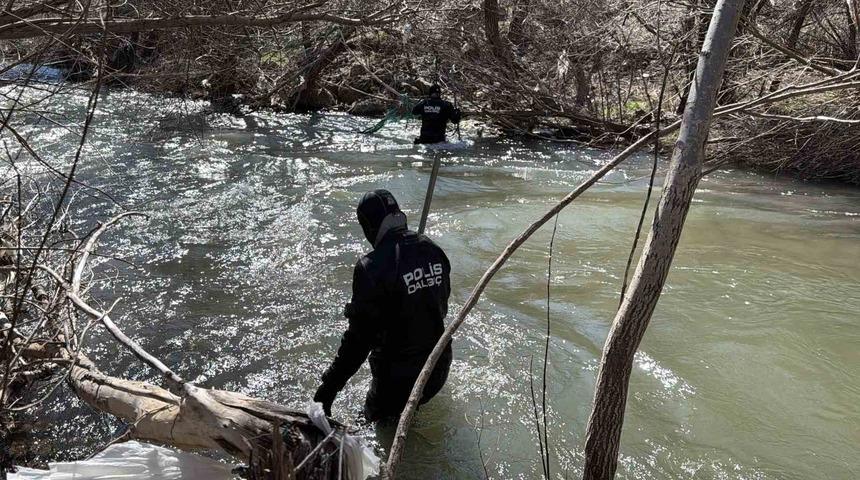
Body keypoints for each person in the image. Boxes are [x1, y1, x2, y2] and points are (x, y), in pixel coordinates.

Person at [314, 189, 453, 421]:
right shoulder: (432, 249)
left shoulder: (371, 267)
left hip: (397, 385)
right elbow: (440, 308)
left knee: (370, 435)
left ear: (369, 226)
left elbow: (358, 343)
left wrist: (327, 390)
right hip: (438, 368)